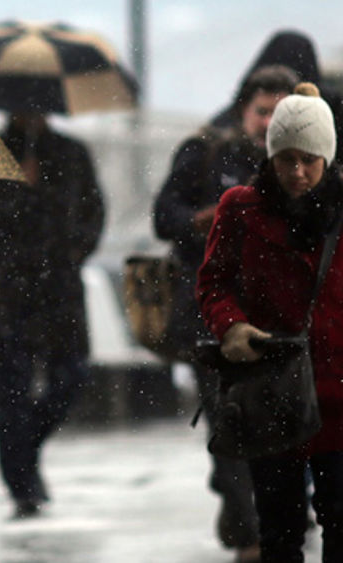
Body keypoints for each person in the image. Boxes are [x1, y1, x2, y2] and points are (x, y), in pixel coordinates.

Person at [154, 64, 298, 562]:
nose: (269, 123)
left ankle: (258, 516)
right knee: (231, 424)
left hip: (279, 322)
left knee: (278, 429)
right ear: (245, 109)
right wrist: (199, 220)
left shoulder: (298, 165)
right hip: (211, 317)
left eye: (280, 113)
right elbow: (163, 214)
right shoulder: (207, 151)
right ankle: (250, 535)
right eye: (263, 112)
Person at [197, 82, 343, 563]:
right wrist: (233, 327)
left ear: (328, 156)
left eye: (309, 159)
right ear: (269, 155)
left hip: (340, 395)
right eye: (286, 159)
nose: (297, 172)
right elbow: (213, 284)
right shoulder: (240, 208)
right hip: (272, 391)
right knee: (279, 533)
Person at [0, 111, 105, 518]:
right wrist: (16, 189)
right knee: (14, 389)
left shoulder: (72, 153)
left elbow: (93, 211)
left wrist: (76, 250)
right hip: (9, 291)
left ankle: (24, 449)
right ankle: (22, 483)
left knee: (73, 375)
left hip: (60, 287)